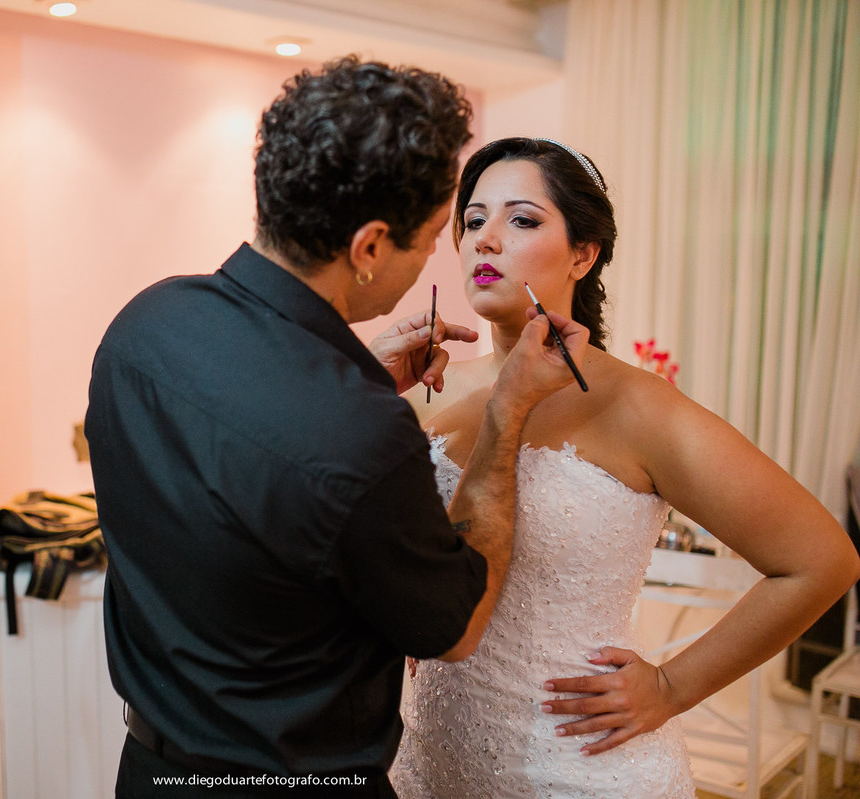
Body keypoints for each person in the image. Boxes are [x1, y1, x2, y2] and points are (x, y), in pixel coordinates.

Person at [84, 56, 590, 799]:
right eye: (431, 239)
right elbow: (457, 625)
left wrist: (351, 376)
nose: (447, 255)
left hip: (151, 771)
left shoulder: (144, 326)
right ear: (370, 247)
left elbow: (254, 461)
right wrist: (507, 411)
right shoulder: (361, 432)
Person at [388, 136, 860, 798]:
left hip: (582, 766)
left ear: (584, 253)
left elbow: (822, 560)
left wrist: (671, 684)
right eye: (473, 220)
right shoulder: (424, 394)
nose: (485, 239)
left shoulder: (638, 407)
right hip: (430, 762)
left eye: (521, 218)